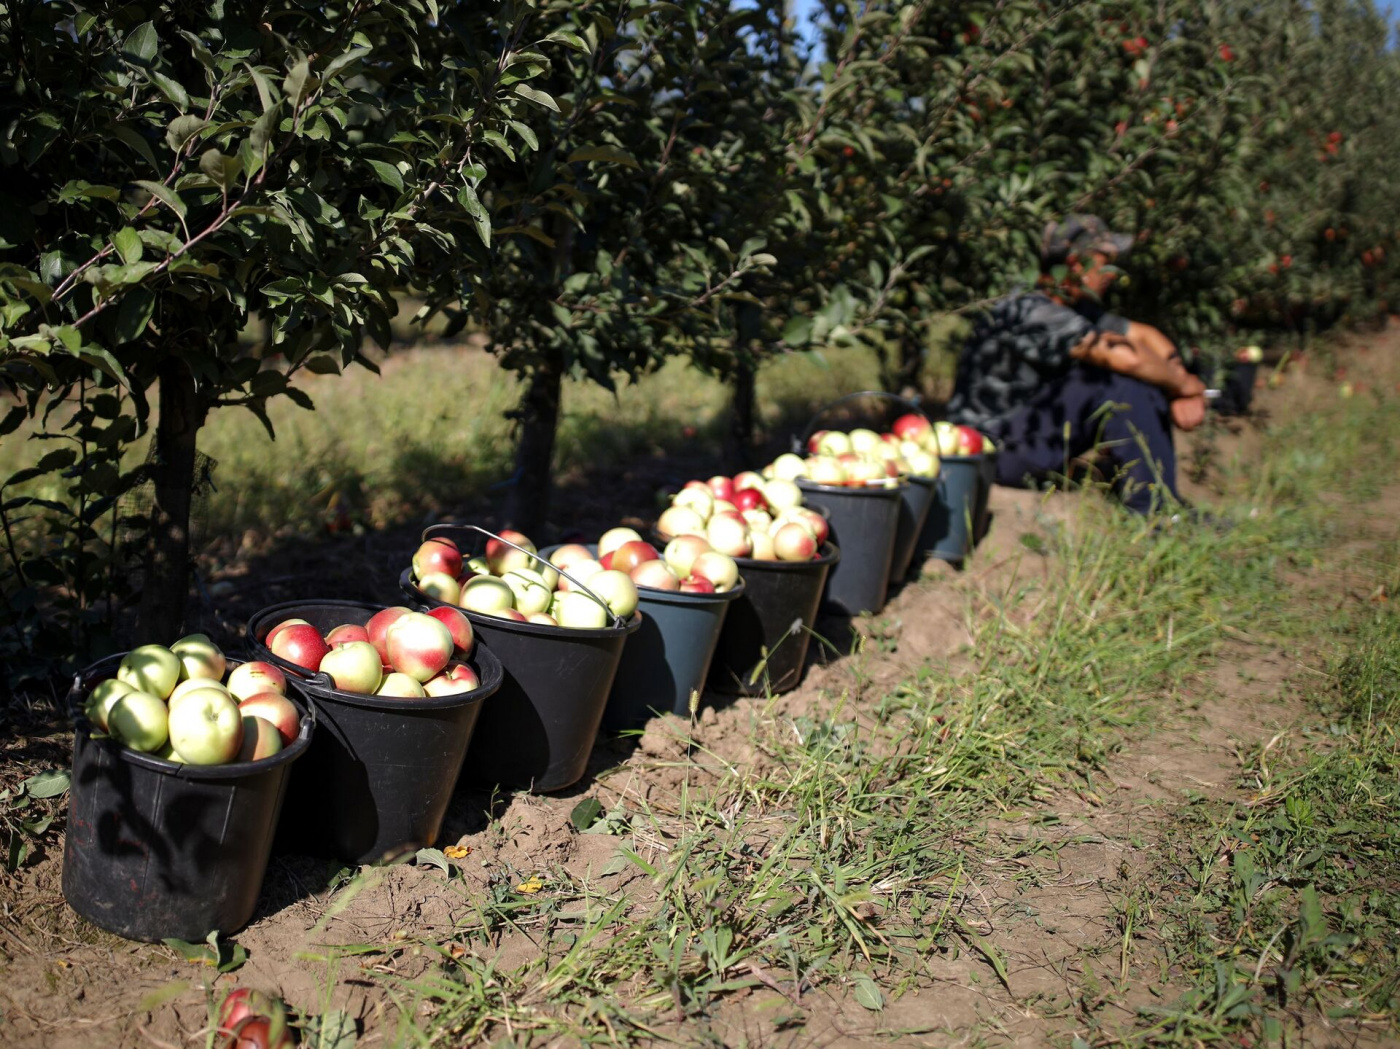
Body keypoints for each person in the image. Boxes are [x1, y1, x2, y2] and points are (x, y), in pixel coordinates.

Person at [946, 215, 1207, 515]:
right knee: (1118, 383)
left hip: (1025, 437)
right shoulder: (1032, 310)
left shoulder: (1072, 304)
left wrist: (1179, 382)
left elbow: (1145, 335)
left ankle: (1162, 501)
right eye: (1104, 261)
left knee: (1143, 377)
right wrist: (1184, 385)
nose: (1111, 272)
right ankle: (1155, 512)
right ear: (1074, 263)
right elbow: (1127, 358)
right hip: (994, 451)